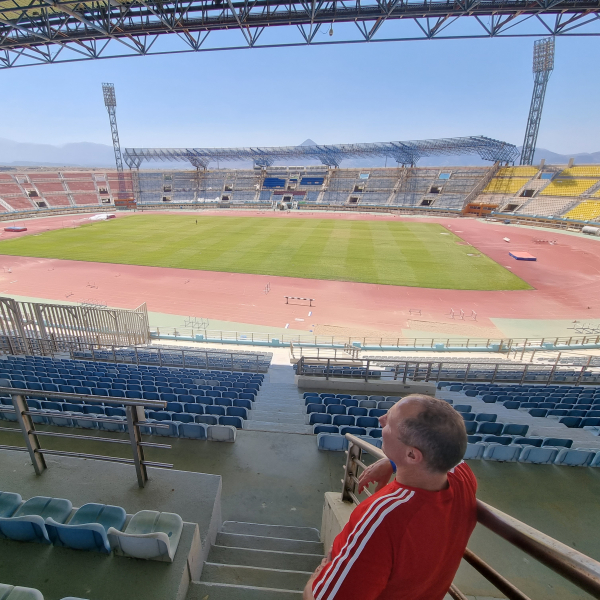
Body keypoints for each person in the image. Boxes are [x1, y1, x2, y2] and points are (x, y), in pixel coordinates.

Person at [304, 394, 477, 600]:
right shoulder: (463, 480)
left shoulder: (384, 518)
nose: (381, 419)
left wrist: (314, 581)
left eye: (390, 423)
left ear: (412, 455)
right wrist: (393, 462)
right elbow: (448, 452)